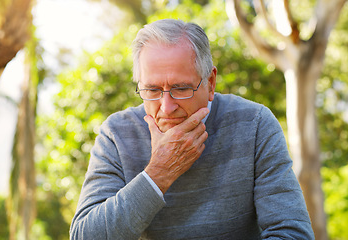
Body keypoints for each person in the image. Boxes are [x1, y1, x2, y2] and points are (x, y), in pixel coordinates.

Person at [70, 19, 314, 239]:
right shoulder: (116, 134)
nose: (166, 107)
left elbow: (292, 233)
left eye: (181, 88)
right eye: (152, 90)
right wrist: (158, 174)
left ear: (210, 83)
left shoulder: (255, 124)